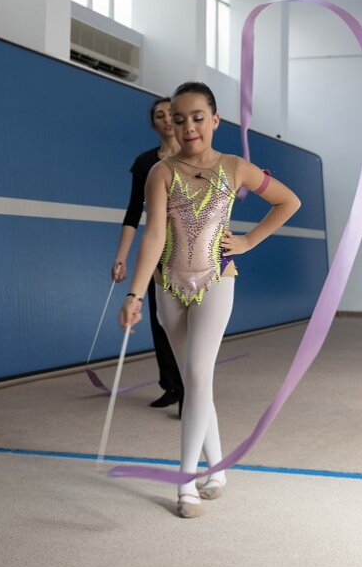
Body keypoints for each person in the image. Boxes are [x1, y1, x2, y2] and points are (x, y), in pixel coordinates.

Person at [118, 81, 301, 518]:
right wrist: (135, 294)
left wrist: (250, 240)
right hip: (168, 284)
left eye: (198, 118)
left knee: (199, 372)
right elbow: (154, 235)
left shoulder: (235, 167)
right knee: (193, 379)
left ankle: (186, 483)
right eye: (179, 119)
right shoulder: (160, 172)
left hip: (217, 278)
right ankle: (217, 472)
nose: (188, 127)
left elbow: (288, 201)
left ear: (215, 120)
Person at [111, 97, 186, 413]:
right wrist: (121, 256)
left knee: (187, 324)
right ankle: (172, 386)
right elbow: (133, 212)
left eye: (171, 113)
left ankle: (189, 390)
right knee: (161, 320)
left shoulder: (195, 157)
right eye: (159, 115)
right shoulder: (145, 163)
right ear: (153, 124)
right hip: (159, 251)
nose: (167, 119)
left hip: (192, 251)